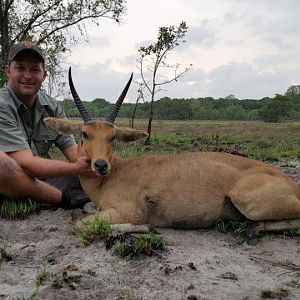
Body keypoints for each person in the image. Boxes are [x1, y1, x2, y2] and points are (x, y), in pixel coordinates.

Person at [0, 40, 95, 209]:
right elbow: (26, 164)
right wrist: (75, 169)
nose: (27, 75)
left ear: (44, 75)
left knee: (97, 169)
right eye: (20, 68)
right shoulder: (2, 104)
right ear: (8, 71)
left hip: (41, 179)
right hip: (12, 178)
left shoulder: (52, 106)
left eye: (35, 69)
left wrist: (92, 162)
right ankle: (66, 200)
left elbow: (74, 153)